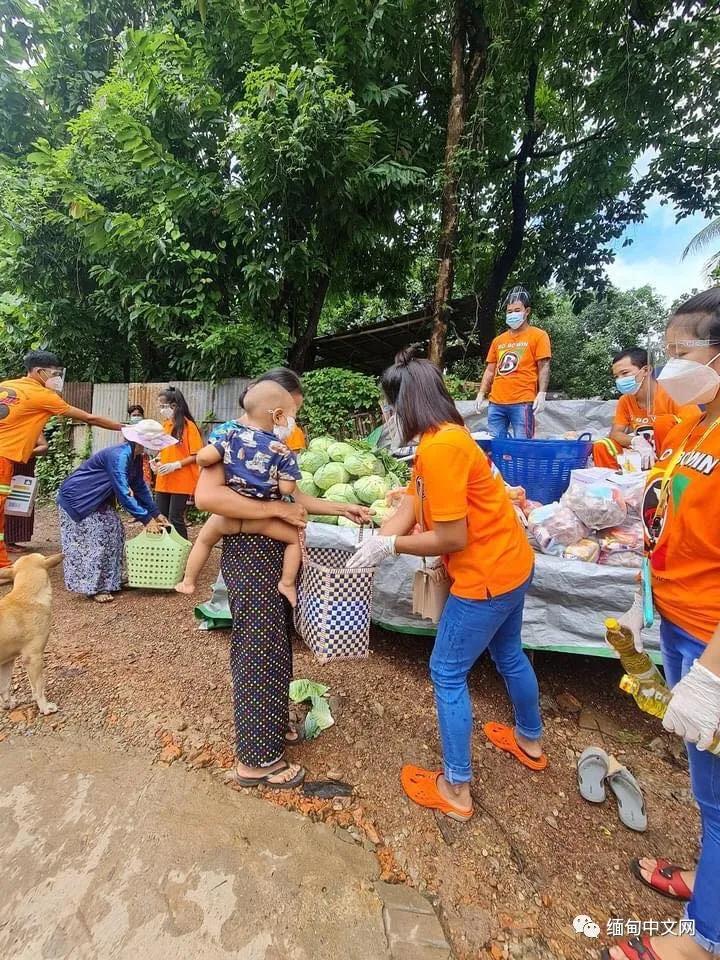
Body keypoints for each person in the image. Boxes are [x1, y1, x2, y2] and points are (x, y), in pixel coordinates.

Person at [349, 348, 546, 822]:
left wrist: (391, 549)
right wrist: (377, 540)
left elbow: (452, 537)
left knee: (446, 672)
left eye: (387, 405)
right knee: (509, 654)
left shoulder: (441, 449)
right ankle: (529, 739)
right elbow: (414, 506)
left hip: (484, 578)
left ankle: (456, 788)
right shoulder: (443, 439)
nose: (385, 414)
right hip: (513, 564)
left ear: (405, 404)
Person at [604, 289, 720, 960]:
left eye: (680, 353)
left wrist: (708, 672)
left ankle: (703, 940)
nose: (667, 367)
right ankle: (711, 884)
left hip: (712, 642)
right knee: (709, 790)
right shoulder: (701, 422)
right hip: (680, 620)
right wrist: (644, 601)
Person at [194, 368, 370, 790]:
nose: (294, 421)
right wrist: (276, 513)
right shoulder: (229, 437)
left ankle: (273, 725)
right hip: (251, 555)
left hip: (272, 555)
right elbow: (208, 498)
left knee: (274, 645)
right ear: (277, 407)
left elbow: (293, 497)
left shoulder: (269, 444)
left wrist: (338, 508)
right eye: (293, 411)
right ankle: (256, 761)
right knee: (256, 649)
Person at [176, 382, 302, 603]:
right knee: (296, 541)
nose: (294, 422)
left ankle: (188, 580)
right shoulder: (284, 451)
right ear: (279, 416)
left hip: (226, 516)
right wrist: (286, 477)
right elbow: (286, 489)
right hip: (261, 520)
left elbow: (203, 458)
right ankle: (287, 582)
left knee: (204, 541)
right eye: (293, 416)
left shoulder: (230, 435)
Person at [0, 350, 122, 568]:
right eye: (54, 373)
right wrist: (125, 428)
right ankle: (1, 566)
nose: (57, 378)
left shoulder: (7, 386)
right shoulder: (43, 395)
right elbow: (88, 417)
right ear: (39, 372)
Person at [57, 420, 175, 603]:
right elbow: (123, 490)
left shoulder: (135, 457)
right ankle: (95, 587)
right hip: (79, 498)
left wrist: (155, 513)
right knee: (97, 539)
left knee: (114, 531)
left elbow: (139, 486)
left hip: (98, 498)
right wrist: (146, 519)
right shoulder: (119, 455)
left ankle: (112, 581)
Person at [593, 347, 697, 469]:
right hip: (641, 454)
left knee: (664, 422)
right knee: (602, 445)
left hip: (674, 455)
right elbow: (615, 433)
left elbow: (694, 430)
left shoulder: (675, 394)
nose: (619, 380)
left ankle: (663, 474)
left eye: (625, 373)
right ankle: (614, 483)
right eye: (616, 376)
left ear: (646, 370)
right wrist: (635, 441)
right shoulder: (625, 400)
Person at [474, 287, 551, 439]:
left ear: (527, 311)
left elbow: (544, 366)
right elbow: (490, 370)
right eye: (509, 311)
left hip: (522, 401)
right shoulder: (498, 340)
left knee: (523, 446)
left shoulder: (538, 335)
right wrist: (481, 393)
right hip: (496, 402)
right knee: (496, 444)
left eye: (517, 310)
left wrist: (542, 393)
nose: (512, 314)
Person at [153, 387, 203, 540]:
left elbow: (196, 455)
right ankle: (164, 549)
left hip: (182, 480)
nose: (161, 409)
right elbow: (164, 450)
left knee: (175, 518)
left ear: (174, 406)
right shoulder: (166, 425)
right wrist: (156, 460)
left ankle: (181, 549)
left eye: (163, 406)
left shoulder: (189, 427)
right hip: (164, 478)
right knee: (160, 516)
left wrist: (176, 465)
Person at [5, 431, 48, 551]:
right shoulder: (6, 425)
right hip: (4, 468)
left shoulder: (33, 426)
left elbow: (44, 447)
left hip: (23, 472)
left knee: (18, 504)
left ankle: (10, 541)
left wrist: (27, 452)